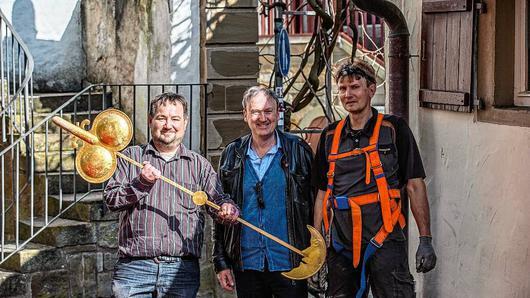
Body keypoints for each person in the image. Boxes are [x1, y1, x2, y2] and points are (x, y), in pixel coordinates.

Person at [312, 59, 437, 297]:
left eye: (355, 87)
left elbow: (414, 185)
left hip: (385, 240)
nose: (348, 94)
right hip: (342, 245)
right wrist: (318, 247)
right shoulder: (329, 136)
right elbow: (321, 194)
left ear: (371, 89)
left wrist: (425, 239)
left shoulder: (394, 129)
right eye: (343, 88)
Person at [104, 92, 239, 298]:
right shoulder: (130, 157)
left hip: (181, 271)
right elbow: (111, 200)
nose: (168, 125)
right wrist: (141, 183)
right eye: (161, 118)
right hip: (134, 269)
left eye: (175, 119)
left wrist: (228, 209)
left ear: (184, 123)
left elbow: (218, 201)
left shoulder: (198, 164)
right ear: (151, 121)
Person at [212, 86, 314, 298]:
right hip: (247, 264)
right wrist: (221, 262)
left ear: (278, 113)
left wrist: (316, 253)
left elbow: (314, 204)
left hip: (291, 262)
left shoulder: (298, 150)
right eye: (256, 111)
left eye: (268, 111)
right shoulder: (232, 154)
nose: (262, 118)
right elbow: (219, 211)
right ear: (245, 115)